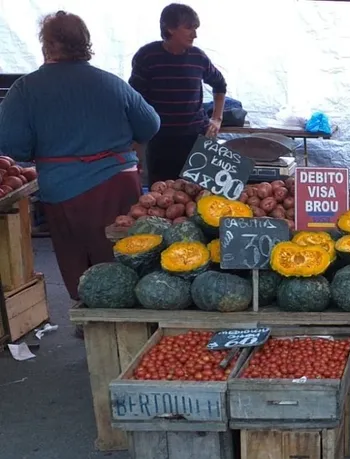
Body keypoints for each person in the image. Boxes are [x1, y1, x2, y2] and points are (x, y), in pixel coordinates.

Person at [0, 11, 160, 304]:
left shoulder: (25, 89)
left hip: (63, 187)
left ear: (46, 45)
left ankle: (87, 314)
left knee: (75, 254)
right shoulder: (112, 83)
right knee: (126, 249)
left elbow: (12, 144)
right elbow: (150, 124)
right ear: (85, 43)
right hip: (119, 182)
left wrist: (41, 151)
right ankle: (135, 313)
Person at [130, 3, 227, 184]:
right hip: (160, 140)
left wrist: (217, 118)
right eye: (189, 28)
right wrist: (136, 141)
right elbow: (136, 99)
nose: (195, 34)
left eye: (196, 28)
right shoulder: (147, 56)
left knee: (197, 194)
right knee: (161, 196)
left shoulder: (199, 57)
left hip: (196, 138)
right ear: (170, 28)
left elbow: (220, 85)